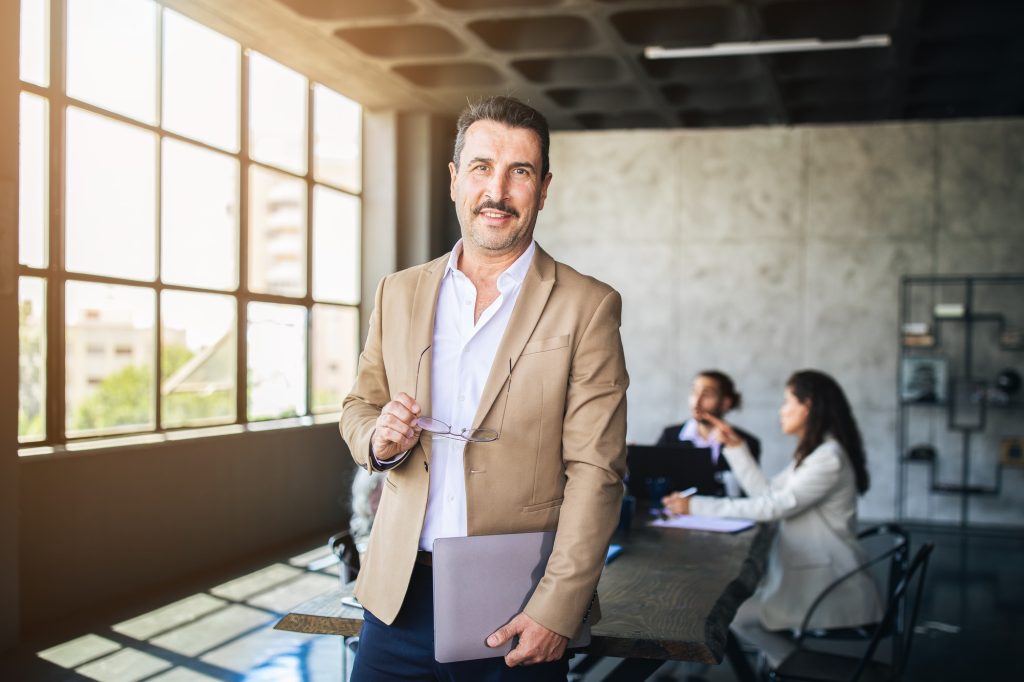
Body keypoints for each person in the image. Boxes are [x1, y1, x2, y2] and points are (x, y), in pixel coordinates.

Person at [339, 96, 628, 680]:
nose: (497, 190)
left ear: (543, 188)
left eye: (519, 171)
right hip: (396, 596)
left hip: (518, 599)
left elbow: (596, 470)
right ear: (453, 180)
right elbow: (358, 406)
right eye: (481, 167)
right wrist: (379, 439)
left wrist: (557, 609)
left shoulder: (588, 305)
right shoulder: (398, 291)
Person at [662, 370, 883, 633]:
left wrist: (694, 505)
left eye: (787, 402)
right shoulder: (816, 454)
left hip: (828, 588)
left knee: (734, 619)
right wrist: (735, 447)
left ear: (807, 406)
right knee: (736, 616)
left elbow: (772, 507)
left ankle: (784, 668)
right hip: (809, 581)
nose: (781, 411)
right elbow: (766, 493)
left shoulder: (828, 458)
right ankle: (783, 668)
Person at [657, 370, 760, 496]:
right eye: (694, 392)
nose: (697, 401)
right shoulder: (670, 436)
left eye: (707, 394)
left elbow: (751, 492)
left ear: (725, 403)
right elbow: (655, 480)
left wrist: (736, 448)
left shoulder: (746, 443)